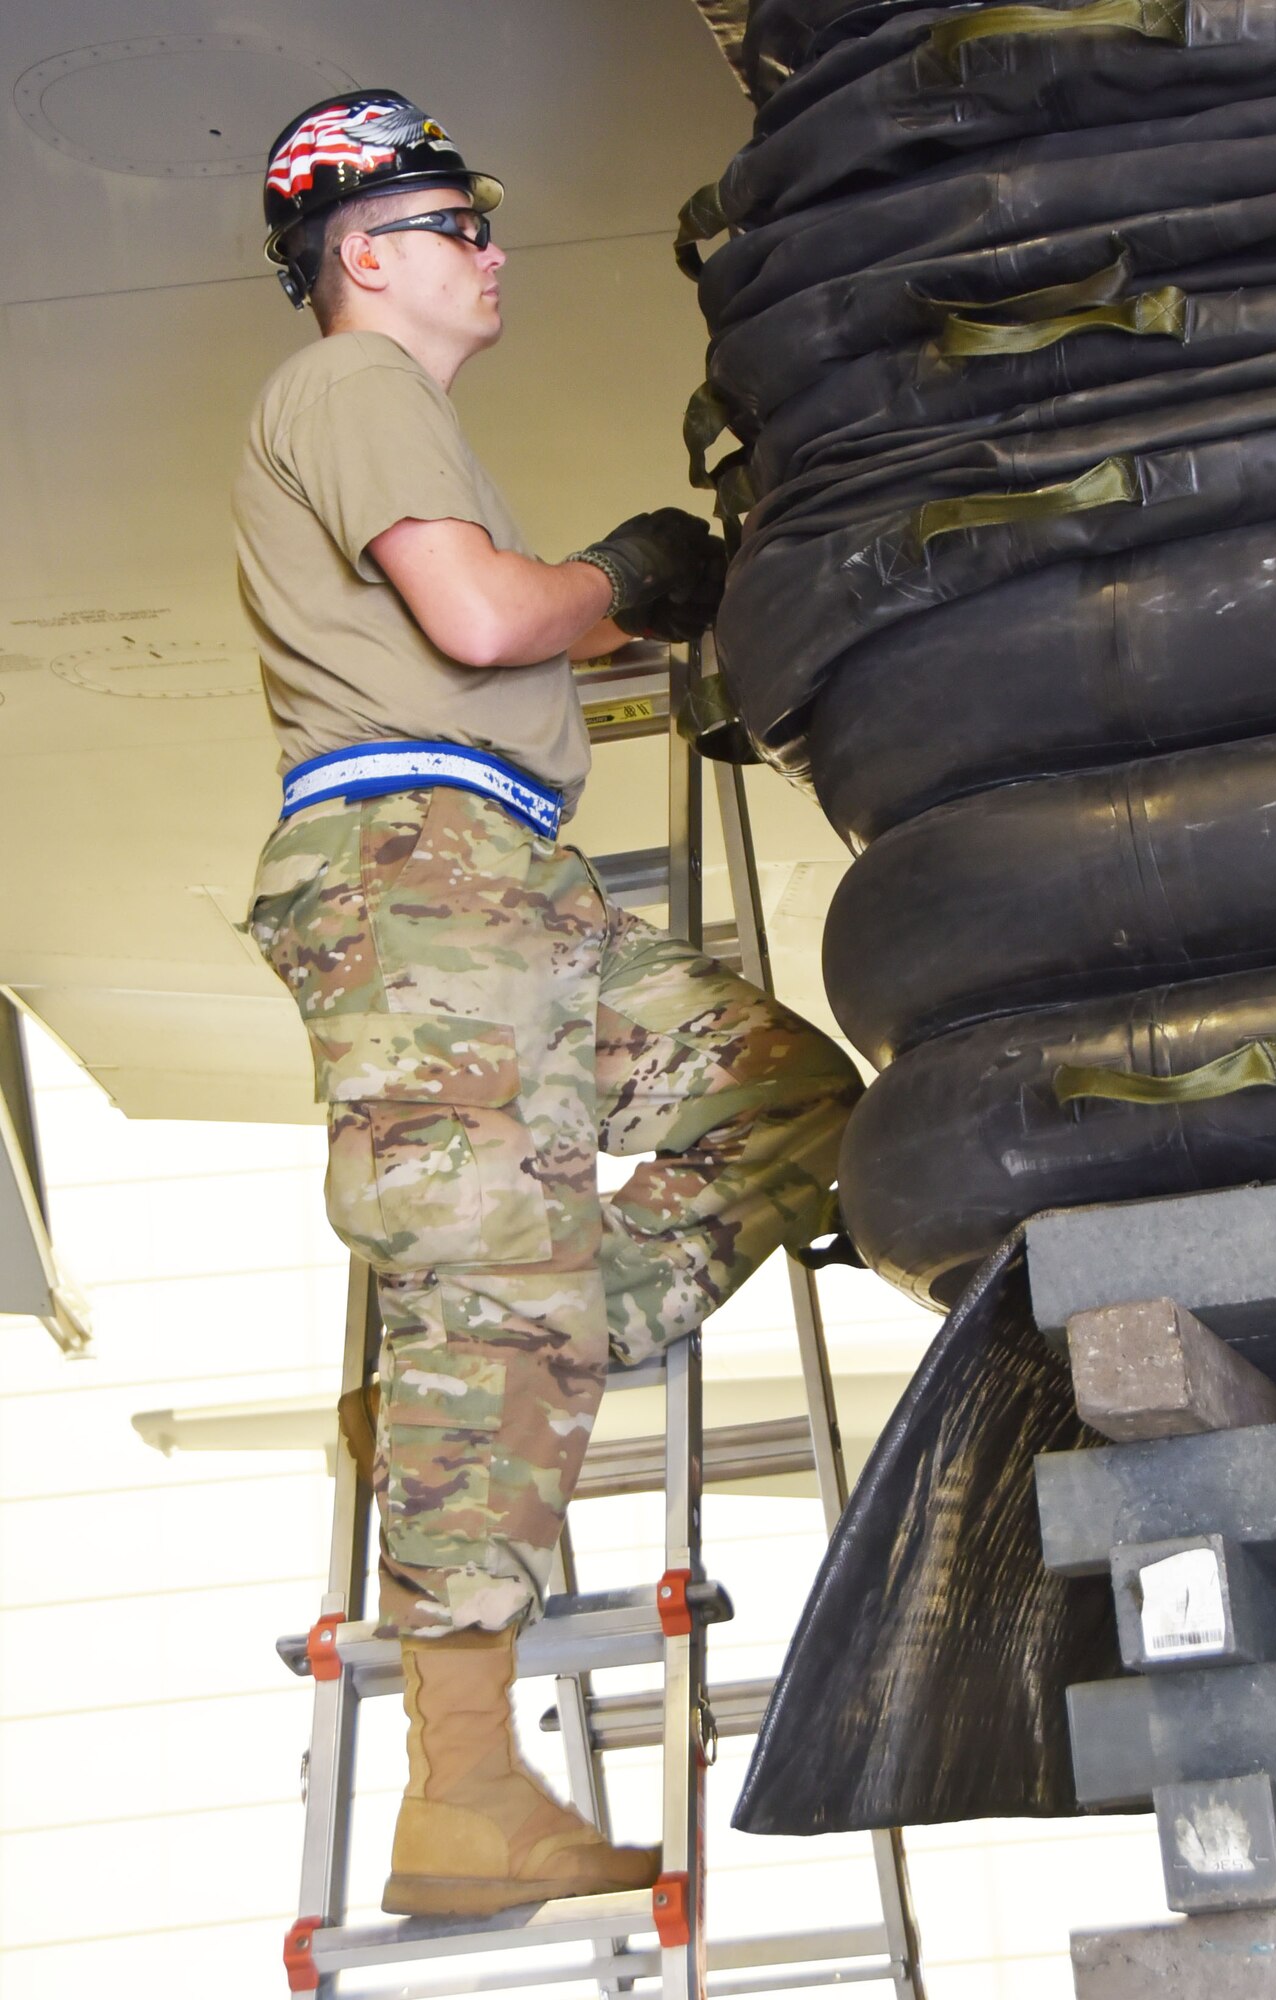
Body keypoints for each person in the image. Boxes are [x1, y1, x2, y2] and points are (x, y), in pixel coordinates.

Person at [233, 91, 862, 1920]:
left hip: (506, 876)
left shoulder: (397, 410)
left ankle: (476, 1387)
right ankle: (465, 1793)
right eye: (458, 223)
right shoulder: (356, 386)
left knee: (784, 1104)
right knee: (489, 1282)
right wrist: (618, 582)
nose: (493, 252)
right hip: (415, 876)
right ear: (367, 256)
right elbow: (487, 619)